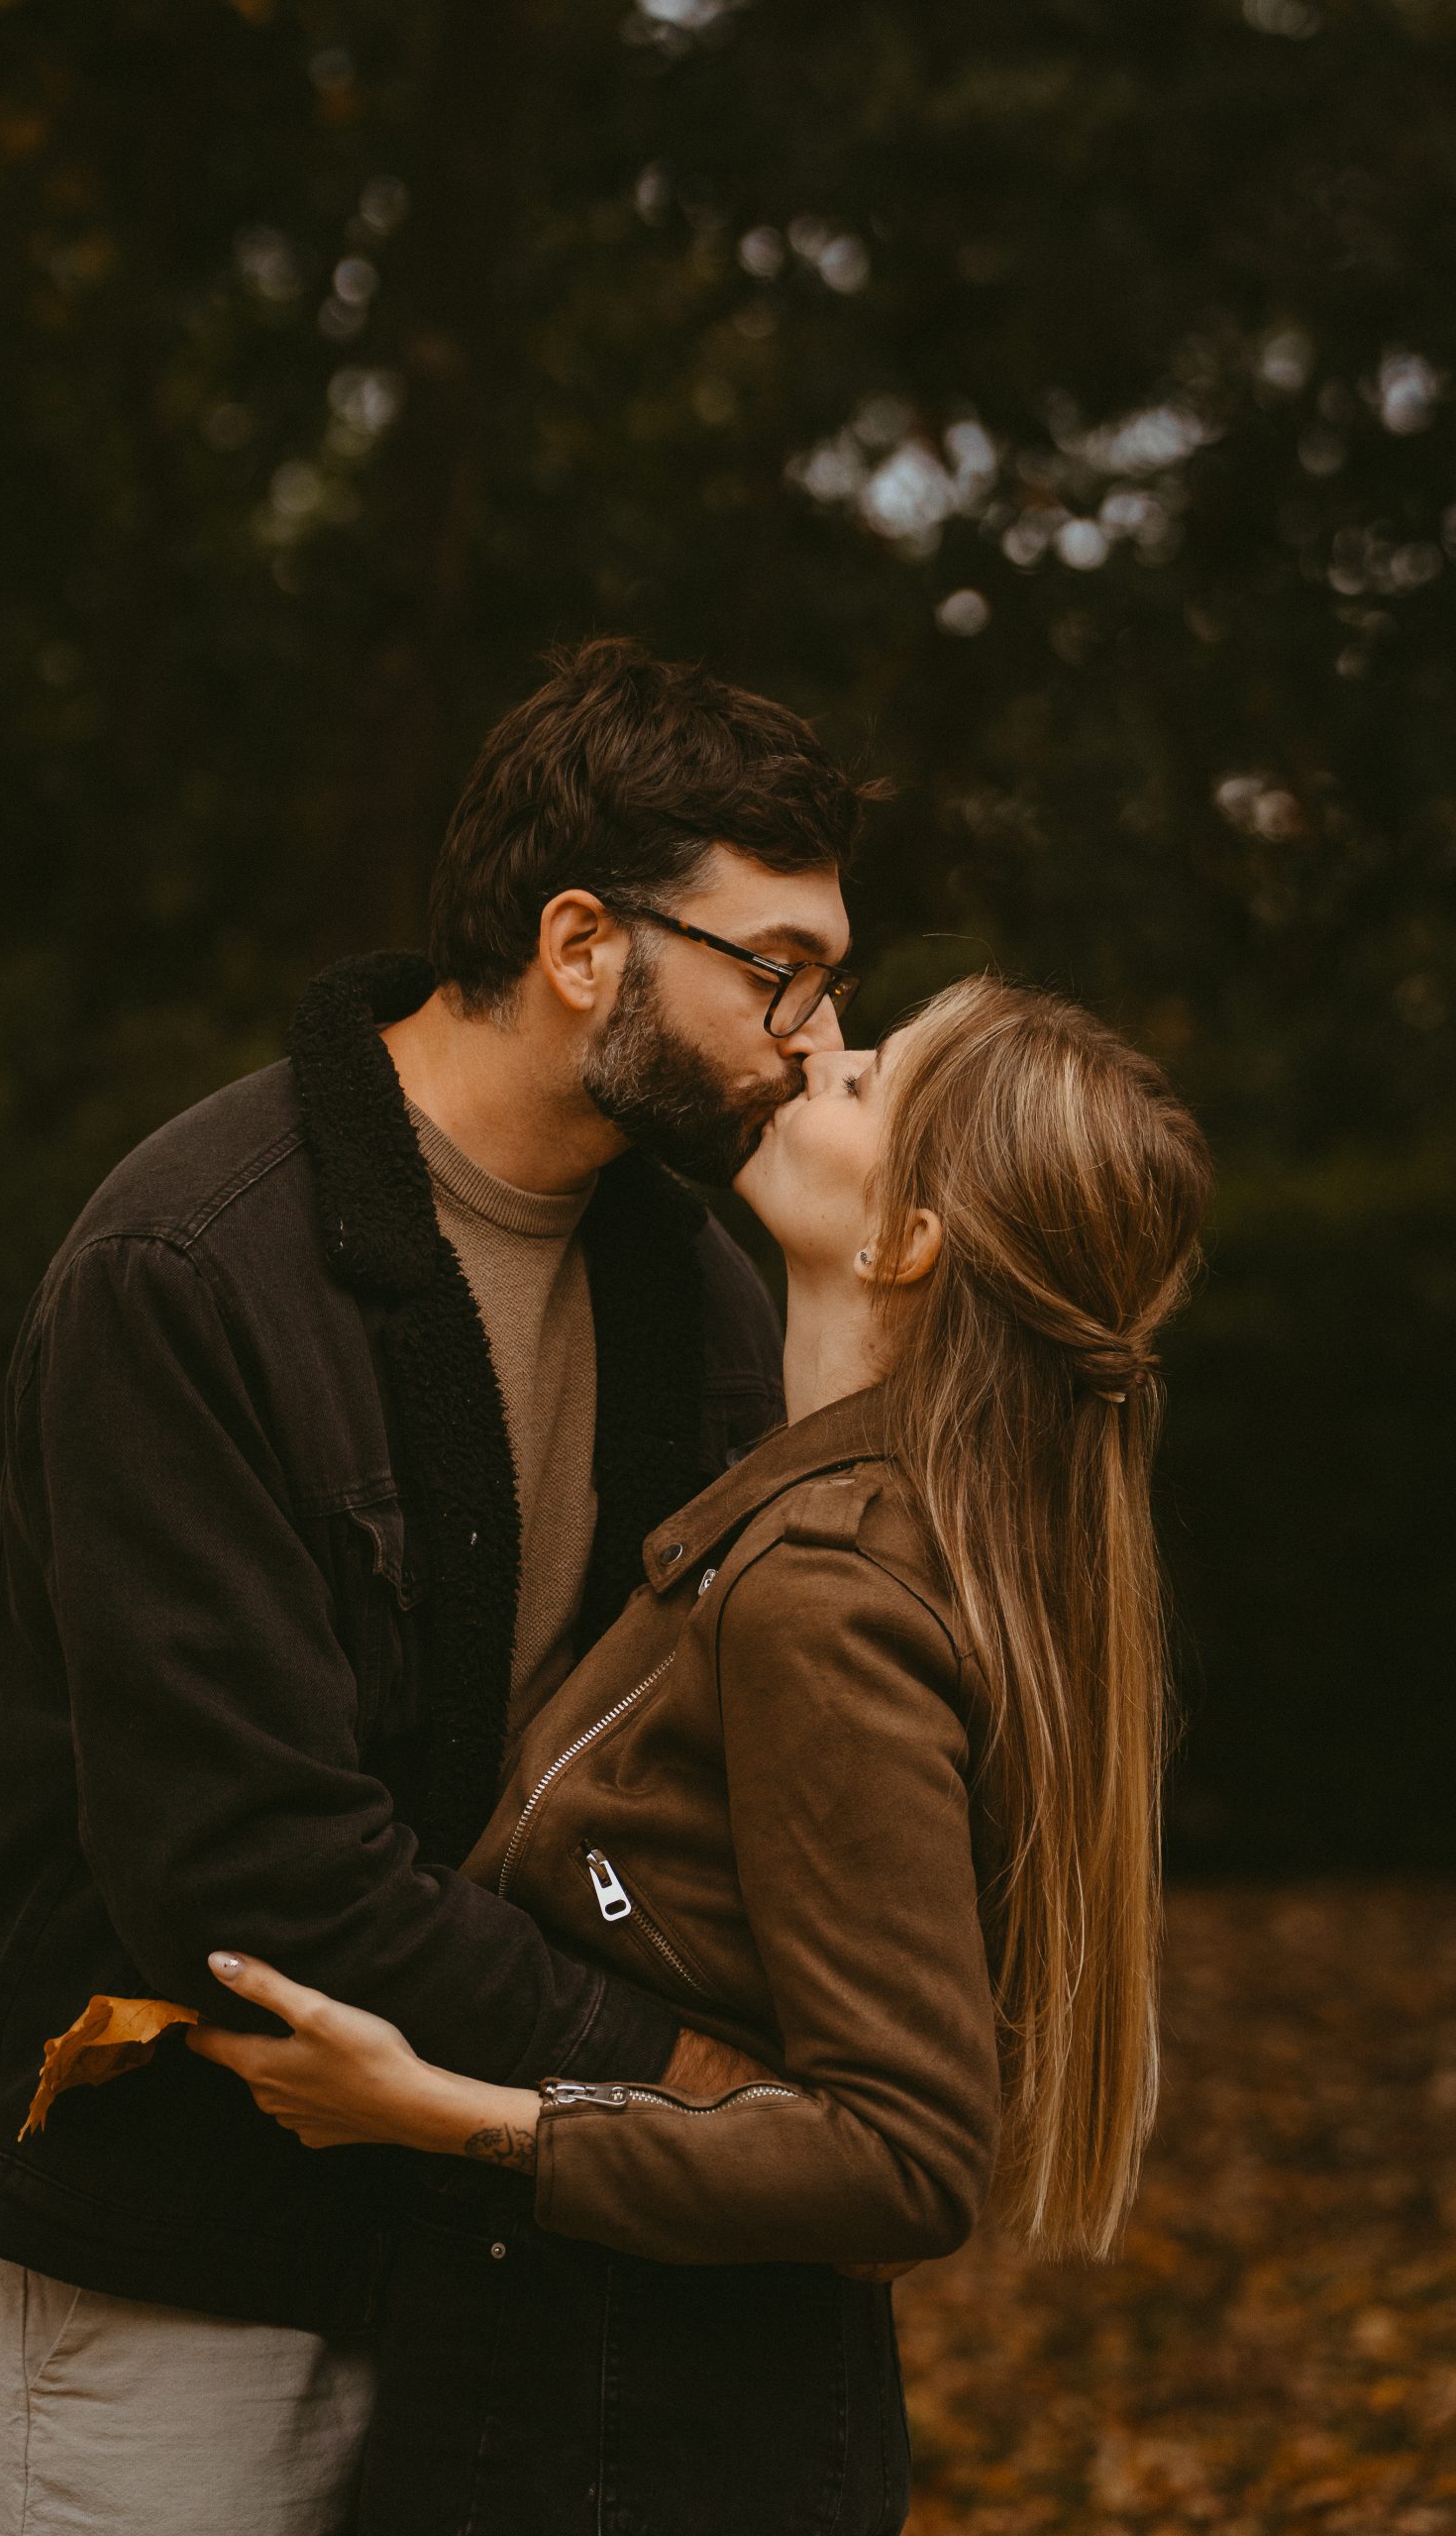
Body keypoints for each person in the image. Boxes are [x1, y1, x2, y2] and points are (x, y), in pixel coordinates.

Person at [0, 636, 884, 2536]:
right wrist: (679, 2081)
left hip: (499, 2233)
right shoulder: (191, 1266)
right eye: (781, 972)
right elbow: (246, 1866)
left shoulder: (705, 1287)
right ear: (586, 946)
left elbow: (725, 1763)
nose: (817, 1045)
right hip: (164, 2237)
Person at [191, 972, 1213, 2536]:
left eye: (869, 1081)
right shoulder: (852, 1536)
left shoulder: (827, 1593)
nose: (816, 1048)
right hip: (648, 2392)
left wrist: (433, 2109)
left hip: (633, 2420)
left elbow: (904, 2158)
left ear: (904, 1243)